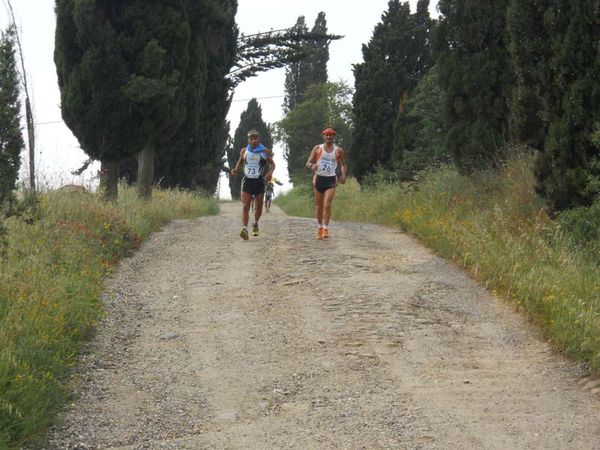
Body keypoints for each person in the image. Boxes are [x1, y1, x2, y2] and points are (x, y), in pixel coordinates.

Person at [231, 129, 275, 240]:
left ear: (258, 139)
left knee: (258, 208)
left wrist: (270, 173)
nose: (253, 141)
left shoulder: (264, 152)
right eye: (251, 139)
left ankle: (255, 223)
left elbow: (273, 164)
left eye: (255, 138)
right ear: (249, 140)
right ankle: (245, 229)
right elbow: (240, 161)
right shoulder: (244, 151)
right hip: (247, 181)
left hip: (259, 181)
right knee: (245, 206)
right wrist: (236, 169)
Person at [305, 127, 347, 239]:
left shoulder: (338, 150)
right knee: (319, 206)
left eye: (331, 135)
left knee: (327, 205)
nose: (328, 137)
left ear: (334, 137)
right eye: (326, 135)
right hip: (319, 178)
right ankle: (319, 228)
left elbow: (343, 164)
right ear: (323, 136)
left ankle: (326, 229)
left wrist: (343, 174)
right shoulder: (318, 148)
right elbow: (308, 163)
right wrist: (312, 165)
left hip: (331, 179)